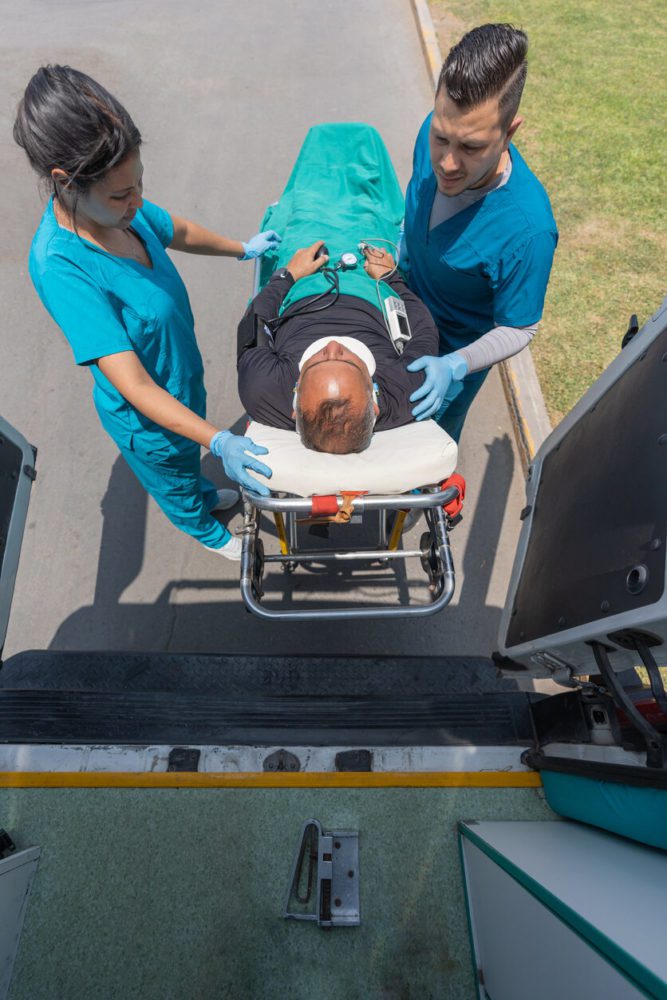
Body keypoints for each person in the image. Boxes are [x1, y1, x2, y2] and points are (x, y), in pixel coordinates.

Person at [14, 65, 279, 561]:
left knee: (190, 459)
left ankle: (200, 492)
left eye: (139, 184)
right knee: (174, 474)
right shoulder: (61, 266)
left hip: (181, 378)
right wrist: (219, 441)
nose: (137, 201)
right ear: (64, 182)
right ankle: (202, 527)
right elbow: (133, 385)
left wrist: (242, 248)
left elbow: (174, 229)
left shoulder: (119, 210)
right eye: (121, 194)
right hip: (146, 417)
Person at [402, 23, 558, 442]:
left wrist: (455, 365)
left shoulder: (528, 230)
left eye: (471, 148)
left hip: (449, 361)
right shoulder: (433, 133)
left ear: (509, 133)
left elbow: (520, 327)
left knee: (420, 458)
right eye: (441, 138)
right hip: (397, 320)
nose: (447, 164)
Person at [237, 240, 439, 453]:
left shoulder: (263, 387)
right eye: (347, 360)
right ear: (374, 403)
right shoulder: (407, 390)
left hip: (301, 287)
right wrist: (392, 278)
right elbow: (423, 328)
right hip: (371, 288)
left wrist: (286, 276)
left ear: (295, 409)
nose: (333, 344)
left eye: (317, 361)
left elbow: (256, 319)